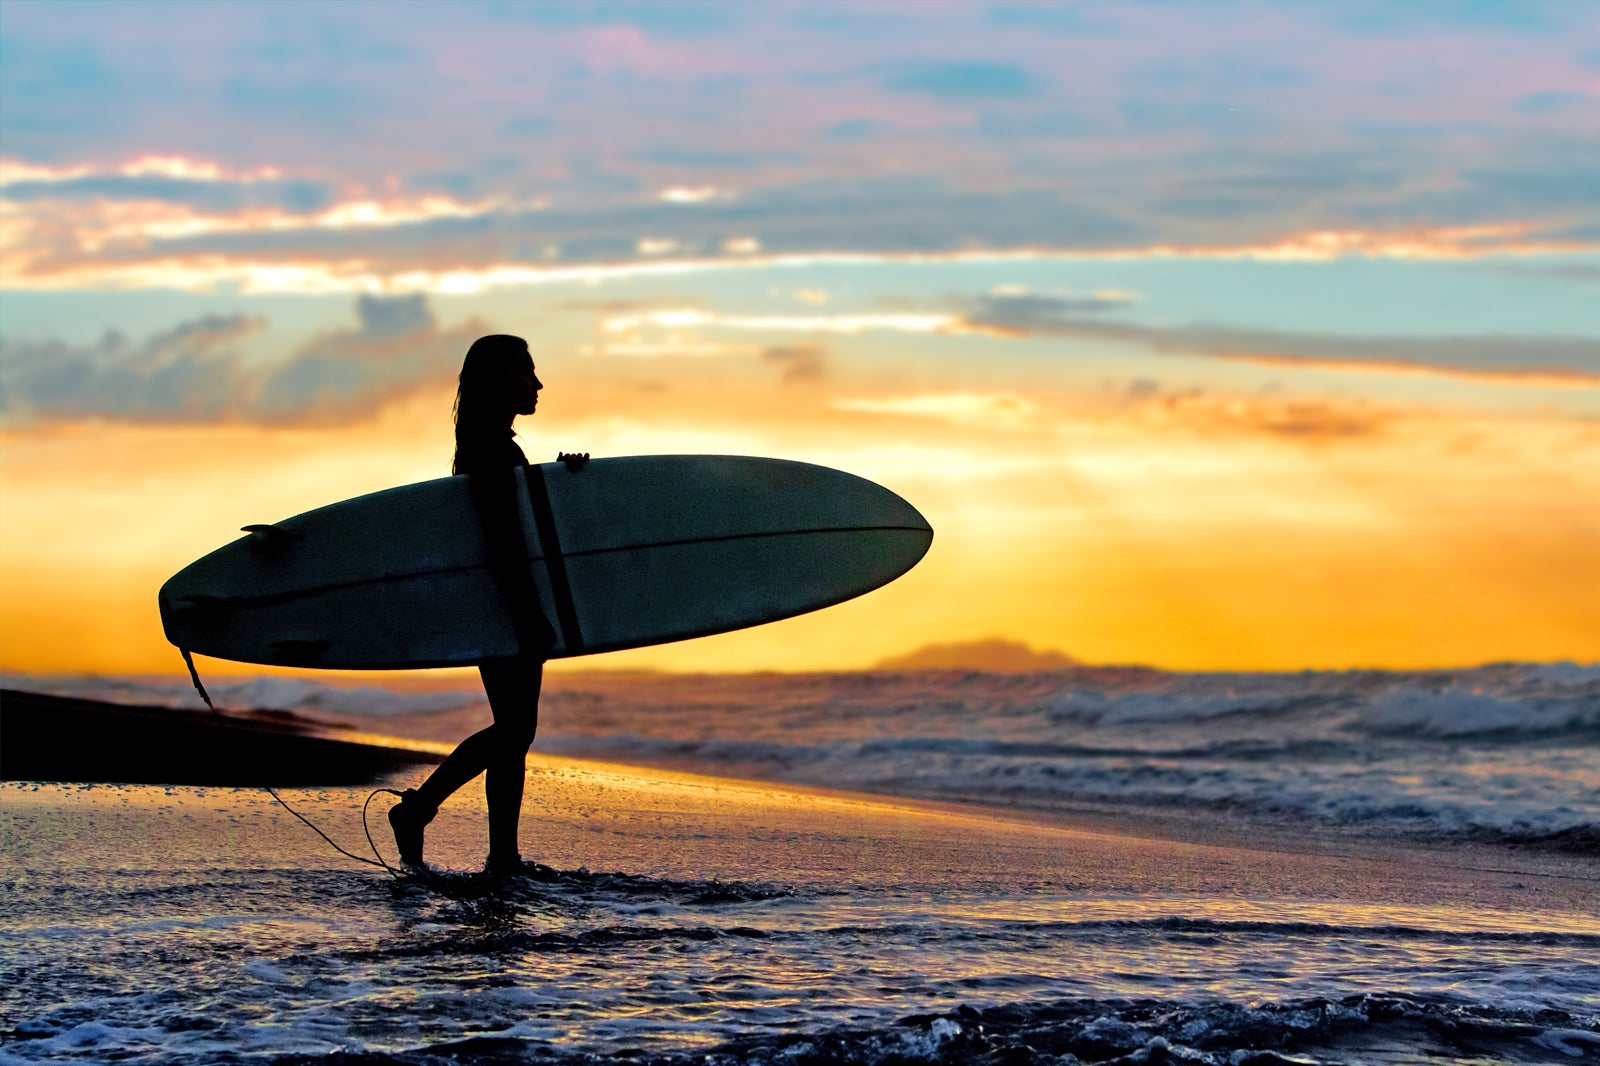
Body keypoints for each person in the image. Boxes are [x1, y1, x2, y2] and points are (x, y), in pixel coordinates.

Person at [387, 334, 586, 873]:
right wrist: (529, 613)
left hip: (496, 603)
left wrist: (561, 484)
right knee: (515, 730)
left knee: (514, 730)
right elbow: (503, 541)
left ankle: (503, 855)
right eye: (528, 371)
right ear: (499, 380)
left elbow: (521, 520)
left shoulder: (488, 446)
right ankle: (420, 810)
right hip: (506, 604)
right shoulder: (493, 451)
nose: (538, 384)